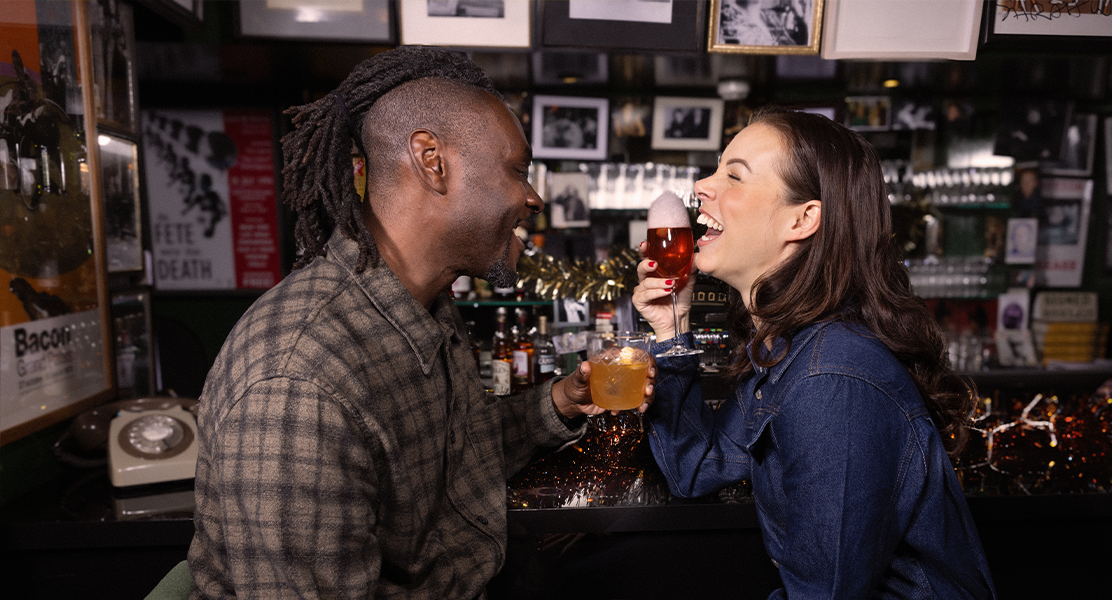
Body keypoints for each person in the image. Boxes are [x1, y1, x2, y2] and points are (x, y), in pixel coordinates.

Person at [187, 47, 653, 599]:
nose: (533, 197)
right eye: (517, 171)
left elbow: (446, 464)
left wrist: (559, 403)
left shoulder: (423, 304)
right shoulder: (298, 382)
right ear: (432, 161)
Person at [633, 107, 996, 598]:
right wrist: (672, 325)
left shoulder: (832, 379)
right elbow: (698, 467)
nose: (702, 184)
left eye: (733, 175)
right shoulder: (789, 347)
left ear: (803, 219)